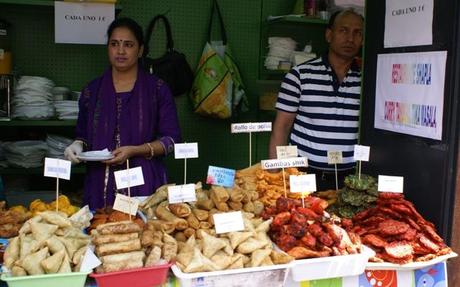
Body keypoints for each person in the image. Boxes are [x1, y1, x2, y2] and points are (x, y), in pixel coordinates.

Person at [64, 17, 181, 209]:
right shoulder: (91, 91)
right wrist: (77, 145)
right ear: (108, 47)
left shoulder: (157, 89)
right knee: (100, 230)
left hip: (143, 181)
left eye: (128, 45)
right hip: (99, 184)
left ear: (140, 50)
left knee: (142, 233)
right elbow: (83, 136)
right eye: (114, 44)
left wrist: (135, 150)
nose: (120, 51)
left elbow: (171, 141)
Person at [268, 9, 364, 190]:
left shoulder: (367, 82)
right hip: (304, 174)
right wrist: (275, 179)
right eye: (343, 30)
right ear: (329, 35)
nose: (350, 38)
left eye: (357, 33)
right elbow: (281, 127)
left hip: (351, 178)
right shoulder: (299, 76)